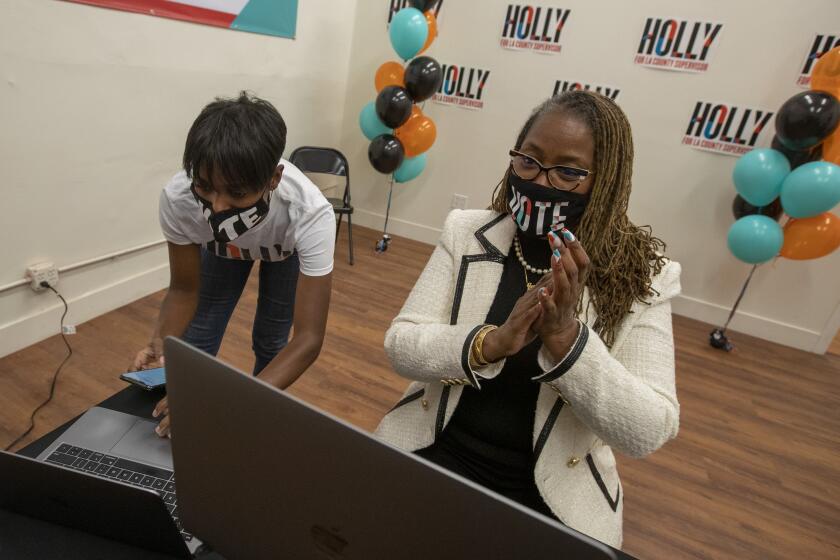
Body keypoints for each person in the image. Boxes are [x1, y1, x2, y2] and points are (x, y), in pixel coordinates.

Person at [375, 90, 681, 548]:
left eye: (568, 172)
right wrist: (489, 344)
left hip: (550, 495)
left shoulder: (644, 276)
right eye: (530, 161)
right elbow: (401, 344)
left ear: (606, 181)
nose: (541, 180)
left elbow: (648, 429)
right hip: (437, 452)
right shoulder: (466, 232)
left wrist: (566, 340)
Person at [130, 92, 335, 437]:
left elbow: (309, 338)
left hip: (285, 252)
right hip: (223, 252)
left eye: (237, 194)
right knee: (199, 331)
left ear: (274, 179)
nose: (218, 206)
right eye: (205, 187)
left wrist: (233, 399)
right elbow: (183, 290)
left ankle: (257, 415)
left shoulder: (311, 214)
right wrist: (159, 341)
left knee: (272, 341)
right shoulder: (178, 198)